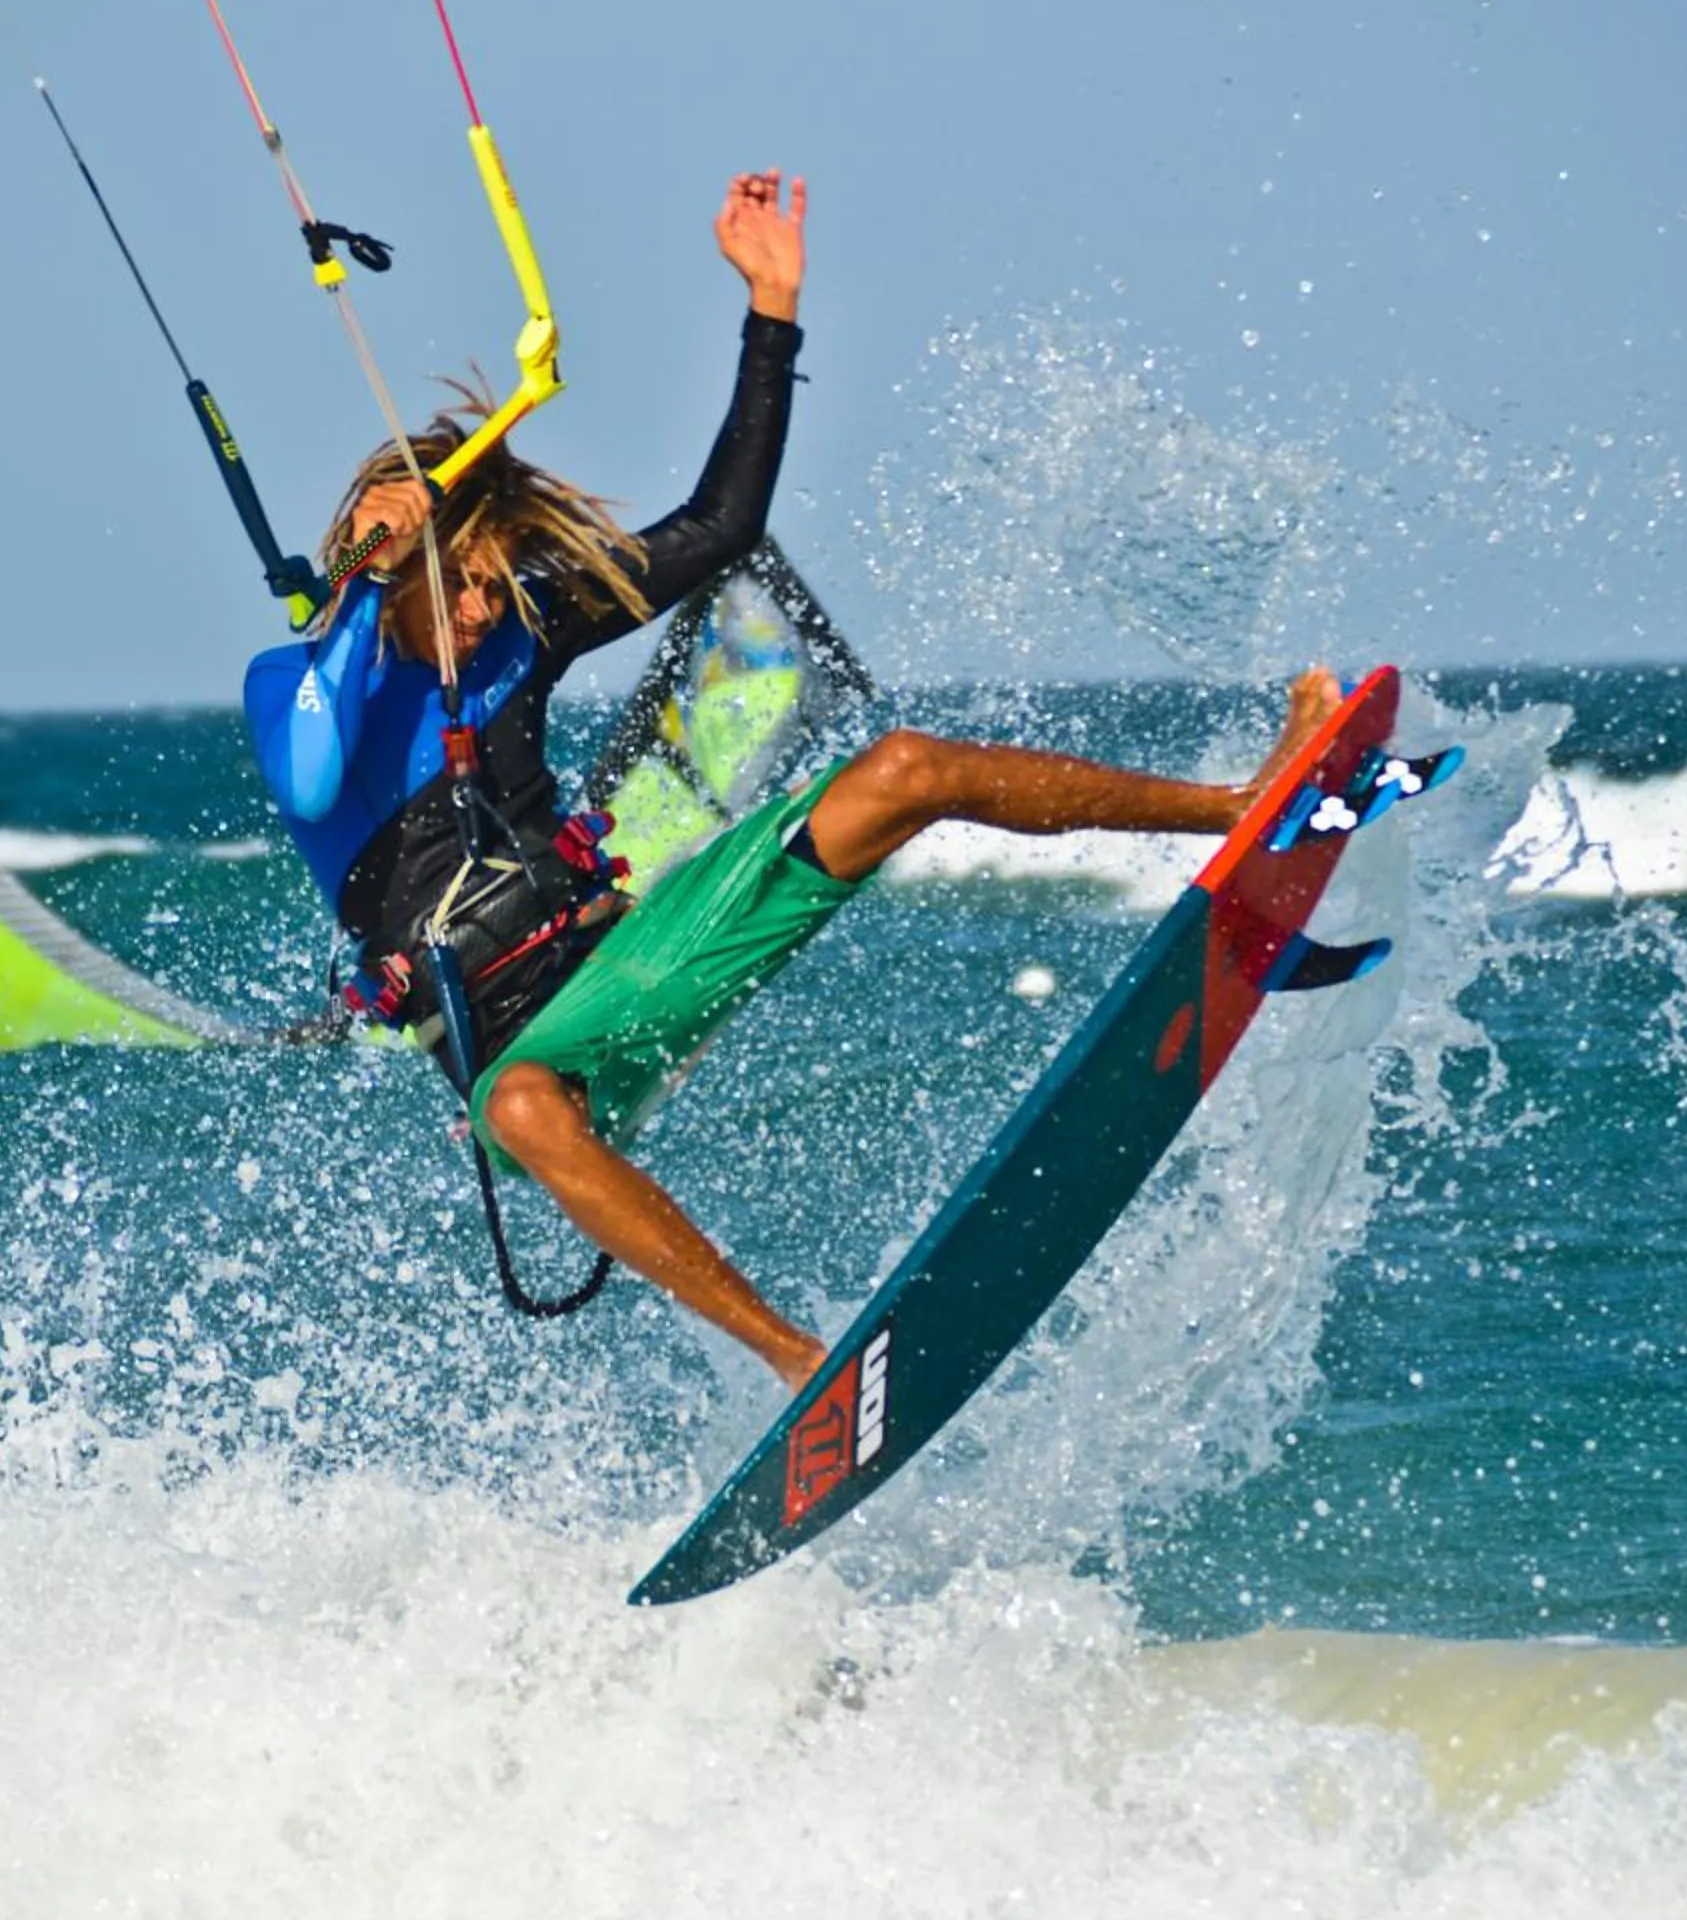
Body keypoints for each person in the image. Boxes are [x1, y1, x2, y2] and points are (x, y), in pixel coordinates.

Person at [245, 169, 1339, 1389]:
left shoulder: (525, 635)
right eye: (473, 580)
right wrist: (363, 576)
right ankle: (796, 1361)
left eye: (504, 577)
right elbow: (310, 768)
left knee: (905, 770)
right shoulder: (298, 686)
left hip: (641, 955)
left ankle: (1248, 804)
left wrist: (772, 307)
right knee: (518, 1116)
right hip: (520, 1055)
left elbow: (718, 527)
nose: (496, 606)